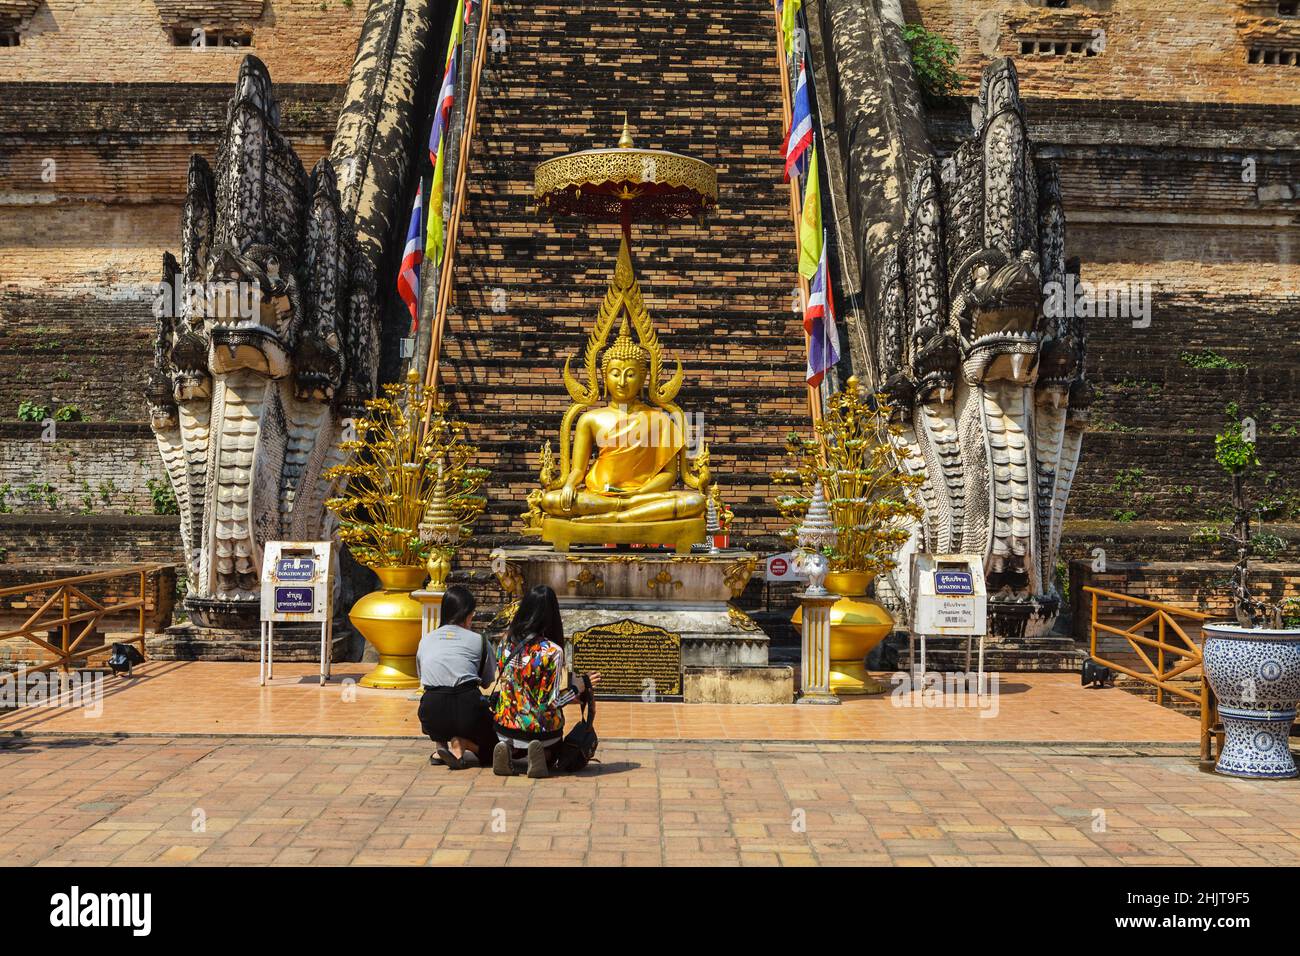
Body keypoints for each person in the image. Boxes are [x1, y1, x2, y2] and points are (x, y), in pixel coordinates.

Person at [492, 584, 600, 778]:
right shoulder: (551, 652)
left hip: (504, 724)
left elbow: (515, 684)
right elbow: (550, 703)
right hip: (538, 729)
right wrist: (579, 687)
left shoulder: (505, 642)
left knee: (517, 735)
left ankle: (508, 749)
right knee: (555, 743)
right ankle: (544, 755)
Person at [416, 585, 496, 770]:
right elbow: (487, 682)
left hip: (432, 711)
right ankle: (465, 744)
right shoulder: (480, 641)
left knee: (435, 700)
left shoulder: (426, 640)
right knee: (495, 746)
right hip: (468, 710)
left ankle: (440, 747)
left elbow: (425, 679)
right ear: (468, 614)